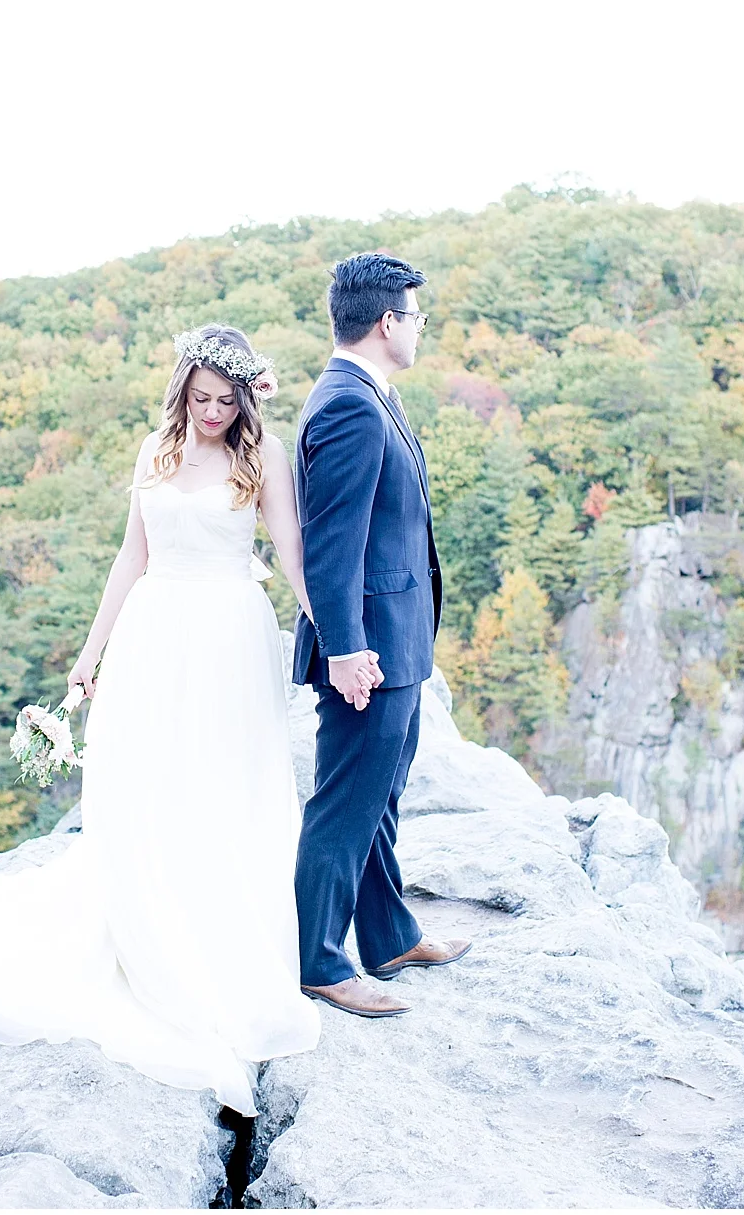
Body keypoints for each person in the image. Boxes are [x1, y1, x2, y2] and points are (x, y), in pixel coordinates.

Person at [0, 323, 320, 1117]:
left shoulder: (261, 460)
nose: (212, 412)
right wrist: (89, 655)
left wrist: (327, 627)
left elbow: (292, 552)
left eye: (227, 401)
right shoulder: (152, 452)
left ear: (246, 400)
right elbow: (133, 555)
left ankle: (219, 939)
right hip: (153, 634)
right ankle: (147, 923)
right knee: (143, 786)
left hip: (229, 636)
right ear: (182, 389)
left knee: (225, 788)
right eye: (200, 398)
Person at [292, 252, 471, 1019]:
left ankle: (390, 933)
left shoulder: (374, 394)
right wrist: (346, 649)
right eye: (416, 315)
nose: (421, 327)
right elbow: (332, 544)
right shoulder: (347, 405)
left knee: (381, 798)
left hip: (398, 639)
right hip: (366, 647)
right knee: (343, 804)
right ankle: (320, 961)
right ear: (386, 321)